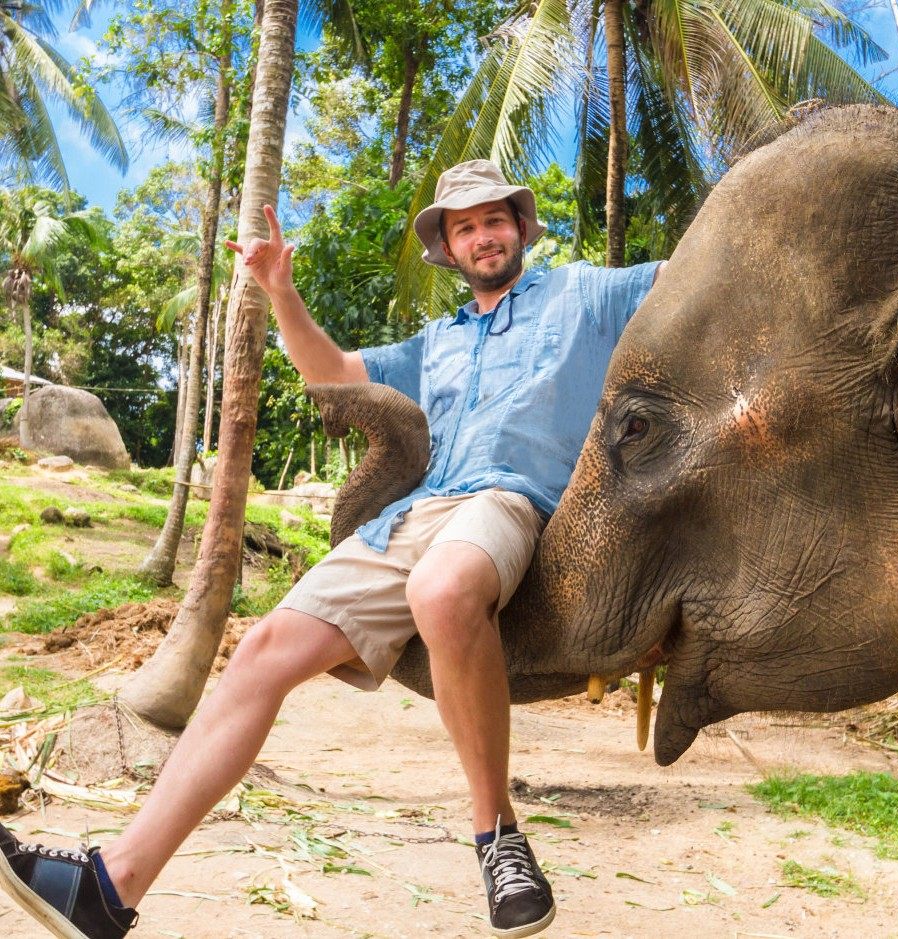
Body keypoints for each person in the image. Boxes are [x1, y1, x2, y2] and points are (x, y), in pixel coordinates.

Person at [0, 160, 664, 939]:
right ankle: (108, 888)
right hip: (410, 519)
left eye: (494, 219)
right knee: (260, 652)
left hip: (509, 502)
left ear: (520, 227)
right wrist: (279, 288)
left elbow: (700, 273)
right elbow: (332, 375)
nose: (483, 235)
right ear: (447, 250)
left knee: (443, 589)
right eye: (464, 226)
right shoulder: (437, 342)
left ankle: (498, 838)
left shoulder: (585, 294)